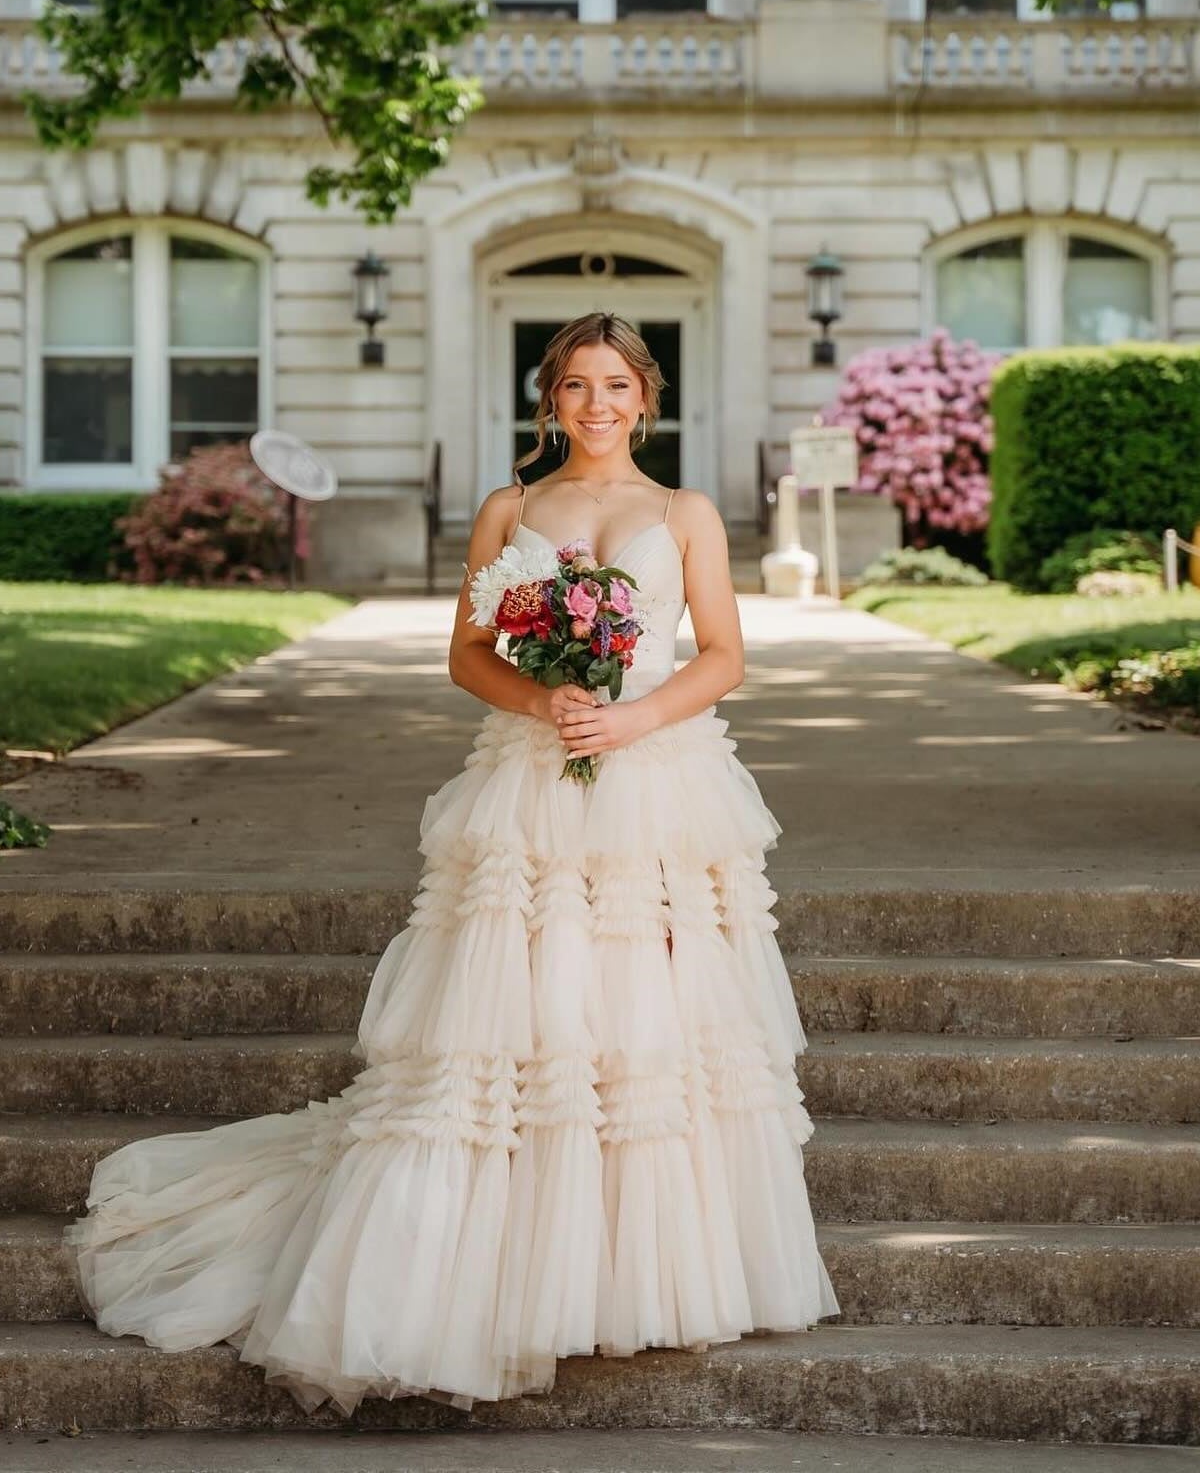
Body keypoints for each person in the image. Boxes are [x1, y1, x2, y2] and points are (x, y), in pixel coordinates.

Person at [65, 310, 840, 1414]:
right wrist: (546, 699)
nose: (597, 404)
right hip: (529, 776)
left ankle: (629, 1269)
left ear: (647, 396)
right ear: (550, 400)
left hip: (660, 781)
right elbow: (468, 656)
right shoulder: (511, 510)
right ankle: (486, 1251)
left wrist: (634, 719)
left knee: (651, 1014)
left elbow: (722, 655)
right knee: (515, 1016)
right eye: (576, 385)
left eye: (616, 384)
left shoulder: (687, 513)